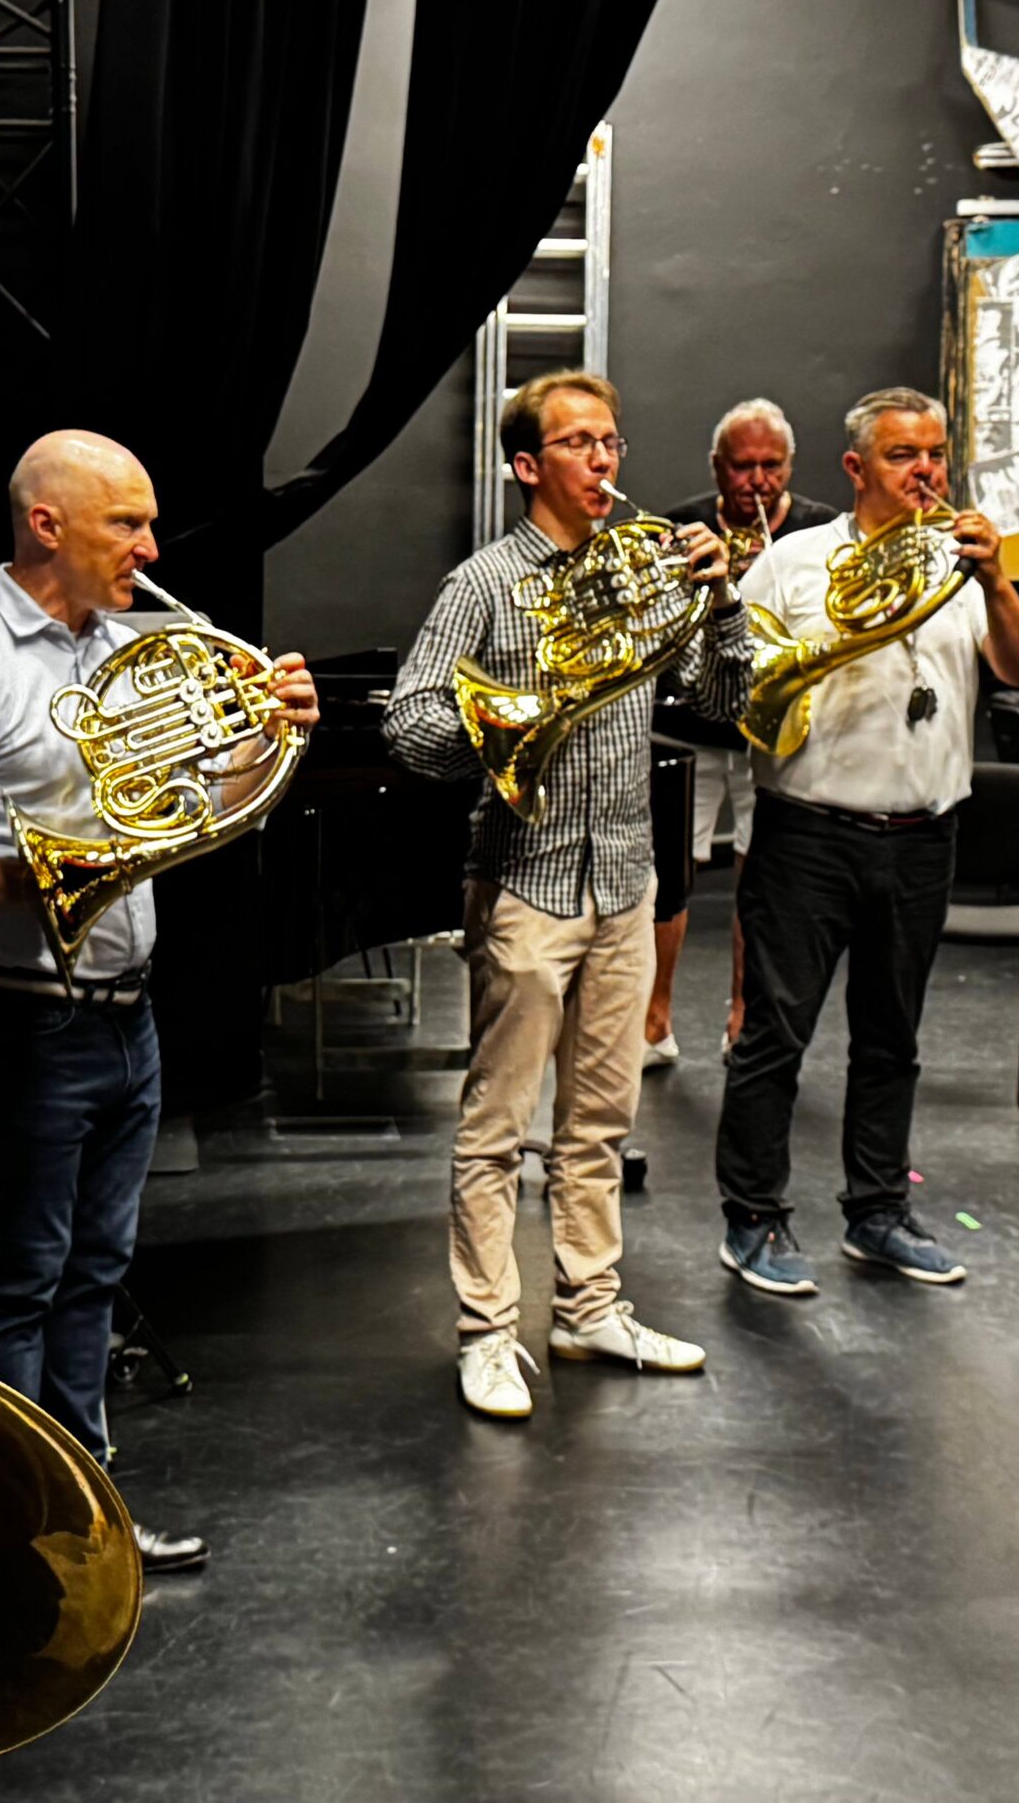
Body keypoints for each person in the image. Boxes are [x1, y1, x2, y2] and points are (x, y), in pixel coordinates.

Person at [0, 429, 319, 1569]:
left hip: (126, 1018)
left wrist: (269, 738)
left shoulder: (131, 650)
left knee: (97, 1279)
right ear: (46, 525)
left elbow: (201, 809)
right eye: (127, 524)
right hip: (21, 1022)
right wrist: (37, 876)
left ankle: (85, 1518)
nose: (150, 547)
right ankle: (9, 1535)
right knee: (15, 1285)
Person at [386, 371, 753, 1419]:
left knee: (600, 1122)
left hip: (626, 880)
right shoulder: (484, 584)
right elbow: (409, 726)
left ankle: (588, 1307)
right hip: (527, 882)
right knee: (497, 1126)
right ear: (526, 465)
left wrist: (722, 601)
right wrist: (512, 720)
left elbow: (726, 698)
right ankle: (485, 1331)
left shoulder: (648, 571)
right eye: (579, 443)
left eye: (612, 443)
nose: (603, 461)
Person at [712, 387, 1019, 1297]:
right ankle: (753, 1218)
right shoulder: (794, 563)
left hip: (922, 836)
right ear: (857, 468)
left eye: (935, 453)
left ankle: (878, 1212)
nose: (925, 471)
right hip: (808, 834)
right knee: (775, 1037)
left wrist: (998, 581)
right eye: (904, 455)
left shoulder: (959, 563)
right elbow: (736, 682)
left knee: (892, 1039)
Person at [647, 397, 842, 1067]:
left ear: (791, 464)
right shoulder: (682, 528)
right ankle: (654, 1021)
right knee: (672, 874)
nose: (758, 481)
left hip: (774, 736)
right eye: (742, 467)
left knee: (762, 879)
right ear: (717, 466)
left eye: (772, 466)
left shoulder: (819, 531)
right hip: (692, 727)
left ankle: (744, 1018)